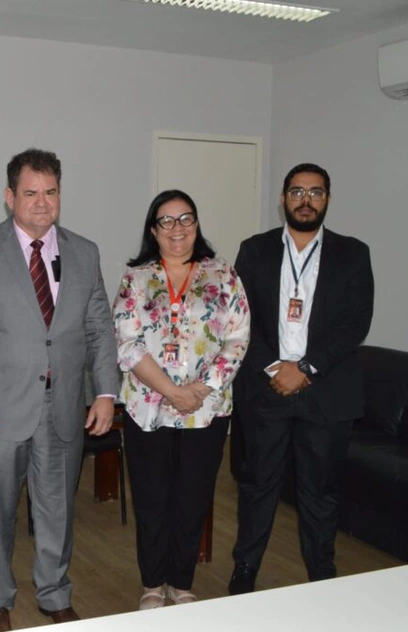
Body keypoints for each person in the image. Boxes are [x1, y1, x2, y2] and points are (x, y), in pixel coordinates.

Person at [0, 149, 118, 631]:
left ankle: (54, 593)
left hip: (64, 404)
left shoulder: (85, 252)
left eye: (51, 192)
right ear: (9, 197)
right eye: (30, 193)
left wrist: (105, 392)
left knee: (57, 508)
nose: (42, 203)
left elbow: (99, 327)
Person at [229, 163, 374, 594]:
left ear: (327, 199)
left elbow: (355, 323)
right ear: (283, 199)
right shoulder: (254, 250)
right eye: (297, 191)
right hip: (266, 389)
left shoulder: (353, 253)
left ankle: (321, 578)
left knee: (320, 492)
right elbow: (239, 319)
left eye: (315, 192)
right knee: (257, 487)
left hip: (325, 392)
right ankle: (245, 571)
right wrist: (276, 368)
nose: (305, 200)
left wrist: (305, 368)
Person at [113, 190, 250, 610]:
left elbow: (237, 339)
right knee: (152, 499)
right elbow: (128, 344)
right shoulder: (135, 279)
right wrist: (172, 391)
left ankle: (182, 581)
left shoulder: (223, 276)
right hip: (147, 408)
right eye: (167, 221)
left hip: (206, 411)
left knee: (193, 498)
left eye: (185, 219)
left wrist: (200, 390)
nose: (177, 229)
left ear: (196, 225)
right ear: (153, 230)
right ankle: (153, 584)